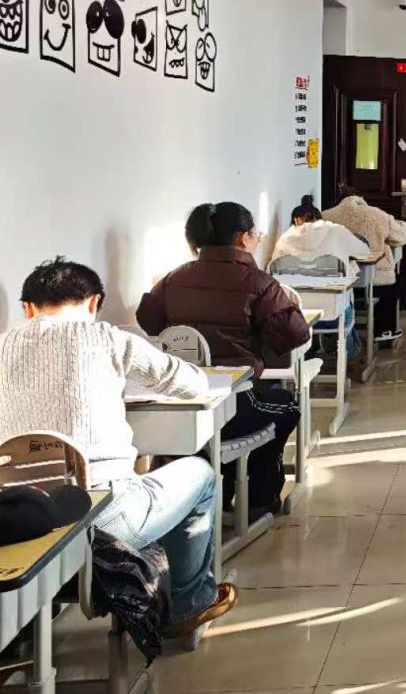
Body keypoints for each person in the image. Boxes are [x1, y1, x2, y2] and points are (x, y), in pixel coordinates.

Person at [0, 259, 237, 638]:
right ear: (94, 303)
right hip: (104, 520)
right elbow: (194, 383)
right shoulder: (108, 339)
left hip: (21, 522)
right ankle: (188, 603)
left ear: (28, 309)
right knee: (201, 474)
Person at [137, 203, 307, 515]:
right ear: (243, 238)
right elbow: (294, 334)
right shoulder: (259, 283)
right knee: (286, 406)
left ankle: (217, 487)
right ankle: (259, 500)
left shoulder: (173, 279)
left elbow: (148, 320)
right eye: (255, 233)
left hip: (179, 406)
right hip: (234, 405)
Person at [272, 193, 373, 359]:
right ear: (319, 218)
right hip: (335, 315)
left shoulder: (285, 238)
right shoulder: (336, 230)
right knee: (346, 291)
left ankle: (313, 348)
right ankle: (348, 350)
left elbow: (273, 271)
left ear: (295, 220)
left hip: (295, 316)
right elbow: (364, 252)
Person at [323, 191, 406, 344]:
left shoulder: (325, 216)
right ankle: (384, 331)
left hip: (338, 281)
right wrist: (401, 224)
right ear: (361, 199)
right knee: (392, 287)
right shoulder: (376, 215)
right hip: (375, 280)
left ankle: (331, 334)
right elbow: (401, 237)